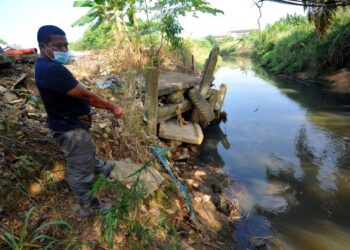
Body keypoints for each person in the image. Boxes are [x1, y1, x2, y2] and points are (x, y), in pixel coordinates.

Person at [35, 25, 124, 217]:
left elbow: (77, 86)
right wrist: (113, 107)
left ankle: (102, 168)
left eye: (66, 46)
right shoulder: (51, 70)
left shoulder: (48, 66)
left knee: (85, 154)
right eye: (59, 46)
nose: (64, 51)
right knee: (80, 170)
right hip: (70, 129)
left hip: (68, 124)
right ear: (43, 45)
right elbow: (88, 97)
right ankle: (89, 206)